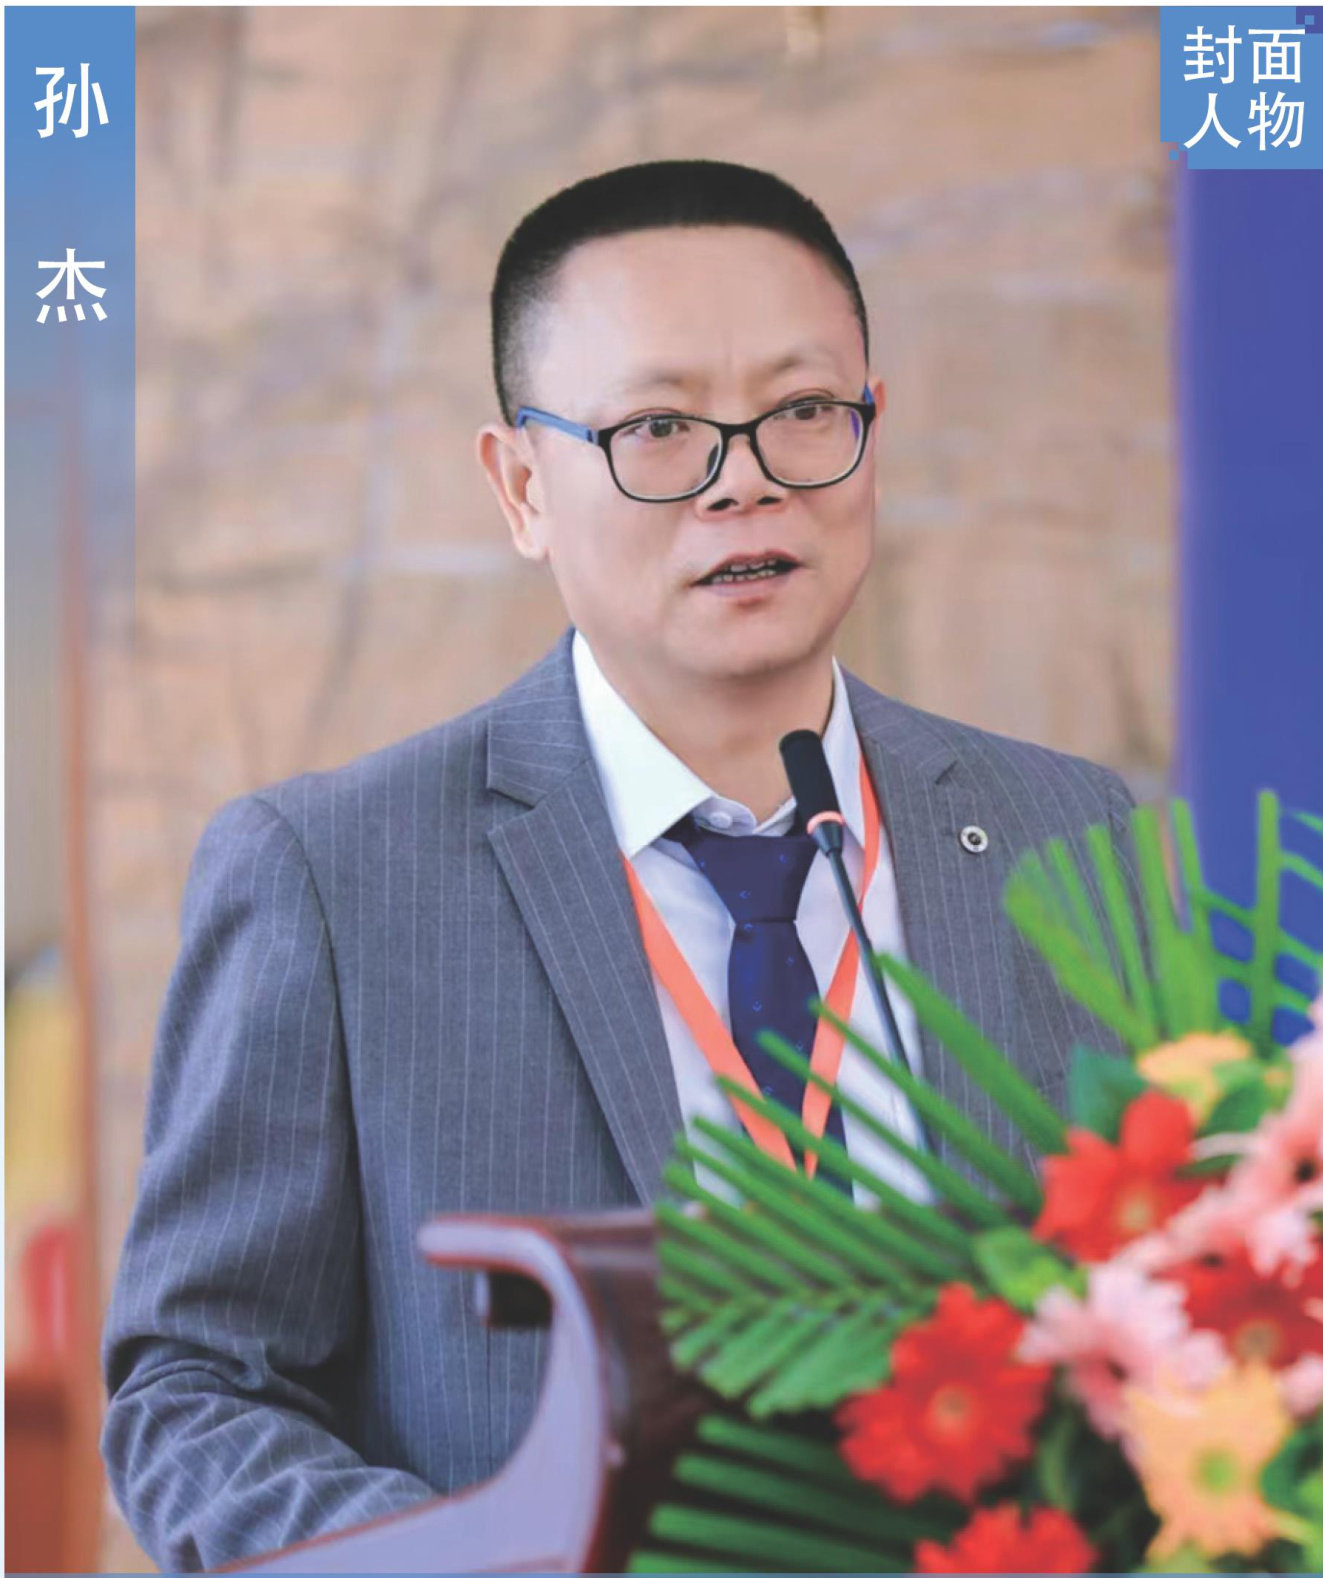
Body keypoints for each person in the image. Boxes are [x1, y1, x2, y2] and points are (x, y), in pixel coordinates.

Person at [101, 159, 1141, 1571]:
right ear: (523, 486)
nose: (746, 480)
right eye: (660, 429)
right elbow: (196, 1395)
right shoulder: (333, 878)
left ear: (872, 431)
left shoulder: (1067, 837)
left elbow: (1173, 1319)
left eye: (804, 411)